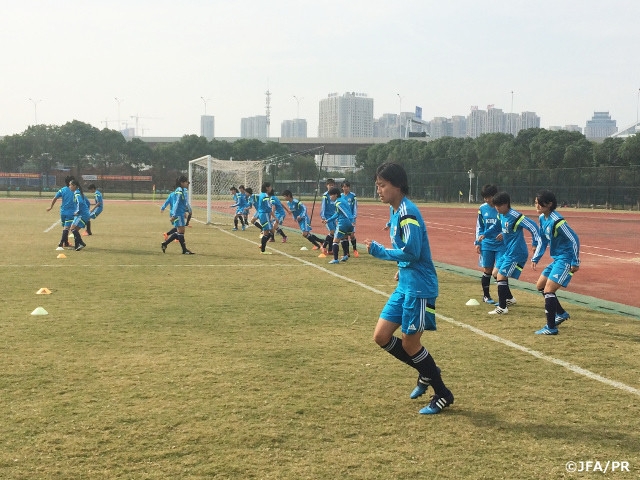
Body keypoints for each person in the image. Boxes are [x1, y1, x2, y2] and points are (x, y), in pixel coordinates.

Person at [364, 162, 454, 415]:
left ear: (397, 185)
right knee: (381, 336)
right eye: (377, 186)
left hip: (419, 289)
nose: (378, 190)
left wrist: (380, 252)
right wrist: (401, 267)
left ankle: (442, 393)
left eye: (382, 186)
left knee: (410, 344)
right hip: (405, 284)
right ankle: (426, 372)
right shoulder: (395, 212)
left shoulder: (408, 213)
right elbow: (409, 254)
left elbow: (413, 251)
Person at [479, 192, 542, 315]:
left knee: (502, 277)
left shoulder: (515, 216)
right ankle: (509, 299)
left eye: (498, 205)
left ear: (506, 204)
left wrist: (535, 243)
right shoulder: (500, 215)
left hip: (517, 253)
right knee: (496, 274)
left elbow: (533, 227)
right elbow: (496, 227)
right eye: (495, 205)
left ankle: (502, 307)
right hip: (508, 251)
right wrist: (485, 234)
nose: (496, 208)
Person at [531, 190, 580, 335]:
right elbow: (543, 239)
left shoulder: (557, 221)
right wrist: (536, 257)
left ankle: (551, 327)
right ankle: (561, 313)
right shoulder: (542, 218)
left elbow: (574, 239)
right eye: (535, 202)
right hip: (557, 258)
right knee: (540, 286)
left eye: (540, 202)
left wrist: (575, 261)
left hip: (566, 259)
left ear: (550, 204)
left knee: (549, 290)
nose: (537, 205)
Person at [474, 184, 505, 305]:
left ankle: (504, 298)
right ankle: (486, 296)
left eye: (489, 197)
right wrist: (477, 242)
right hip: (486, 244)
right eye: (485, 197)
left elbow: (508, 223)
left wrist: (504, 233)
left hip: (501, 244)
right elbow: (479, 227)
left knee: (500, 271)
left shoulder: (502, 208)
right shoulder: (482, 208)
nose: (487, 200)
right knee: (488, 270)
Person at [161, 175, 194, 255]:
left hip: (180, 213)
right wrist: (174, 215)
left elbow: (182, 203)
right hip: (178, 214)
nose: (187, 183)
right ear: (182, 183)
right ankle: (184, 250)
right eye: (186, 182)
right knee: (181, 232)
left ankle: (165, 244)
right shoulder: (180, 190)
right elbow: (177, 202)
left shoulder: (181, 190)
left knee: (180, 232)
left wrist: (186, 211)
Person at [322, 187, 354, 264]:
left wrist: (351, 220)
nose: (330, 197)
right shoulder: (343, 200)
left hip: (343, 222)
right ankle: (345, 255)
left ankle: (335, 259)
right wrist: (328, 220)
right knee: (344, 238)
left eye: (331, 195)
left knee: (335, 241)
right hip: (348, 223)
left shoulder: (338, 203)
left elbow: (345, 212)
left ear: (336, 195)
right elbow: (337, 213)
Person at [46, 175, 76, 250]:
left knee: (66, 227)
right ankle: (61, 243)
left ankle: (66, 242)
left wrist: (51, 207)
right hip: (71, 212)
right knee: (67, 228)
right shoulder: (75, 190)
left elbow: (55, 198)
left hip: (62, 212)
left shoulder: (62, 190)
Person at [68, 179, 90, 251]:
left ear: (74, 186)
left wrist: (77, 211)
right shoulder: (80, 192)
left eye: (70, 185)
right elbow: (88, 202)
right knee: (75, 230)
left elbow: (80, 202)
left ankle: (81, 243)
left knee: (72, 229)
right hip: (85, 214)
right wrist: (86, 210)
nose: (69, 186)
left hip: (81, 214)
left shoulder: (77, 193)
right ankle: (77, 246)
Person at [341, 180, 360, 257]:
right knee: (345, 236)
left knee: (351, 235)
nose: (345, 188)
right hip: (343, 218)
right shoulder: (340, 196)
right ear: (342, 188)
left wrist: (354, 216)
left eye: (347, 187)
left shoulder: (353, 196)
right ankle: (347, 252)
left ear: (349, 187)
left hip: (351, 218)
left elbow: (355, 207)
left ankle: (355, 249)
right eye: (344, 187)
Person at [319, 178, 337, 258]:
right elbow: (323, 207)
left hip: (333, 216)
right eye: (330, 185)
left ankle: (330, 249)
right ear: (327, 186)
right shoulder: (325, 196)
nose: (331, 186)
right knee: (332, 231)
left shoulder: (335, 195)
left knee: (334, 232)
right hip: (327, 217)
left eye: (332, 185)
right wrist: (323, 217)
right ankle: (324, 246)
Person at [256, 182, 276, 254]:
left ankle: (262, 246)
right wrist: (275, 217)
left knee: (269, 232)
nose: (271, 188)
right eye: (270, 187)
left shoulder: (261, 195)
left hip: (262, 214)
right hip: (265, 215)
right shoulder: (265, 195)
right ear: (267, 188)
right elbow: (268, 207)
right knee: (269, 232)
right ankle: (263, 249)